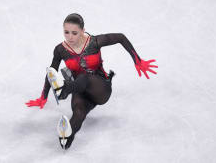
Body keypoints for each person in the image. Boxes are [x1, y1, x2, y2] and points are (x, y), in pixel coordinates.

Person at [25, 13, 158, 149]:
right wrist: (43, 98)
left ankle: (64, 90)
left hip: (100, 88)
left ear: (82, 31)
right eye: (66, 32)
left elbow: (120, 37)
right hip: (79, 90)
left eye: (74, 33)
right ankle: (66, 137)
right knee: (78, 112)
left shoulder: (94, 42)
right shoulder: (60, 50)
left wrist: (138, 60)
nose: (70, 37)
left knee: (84, 77)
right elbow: (51, 73)